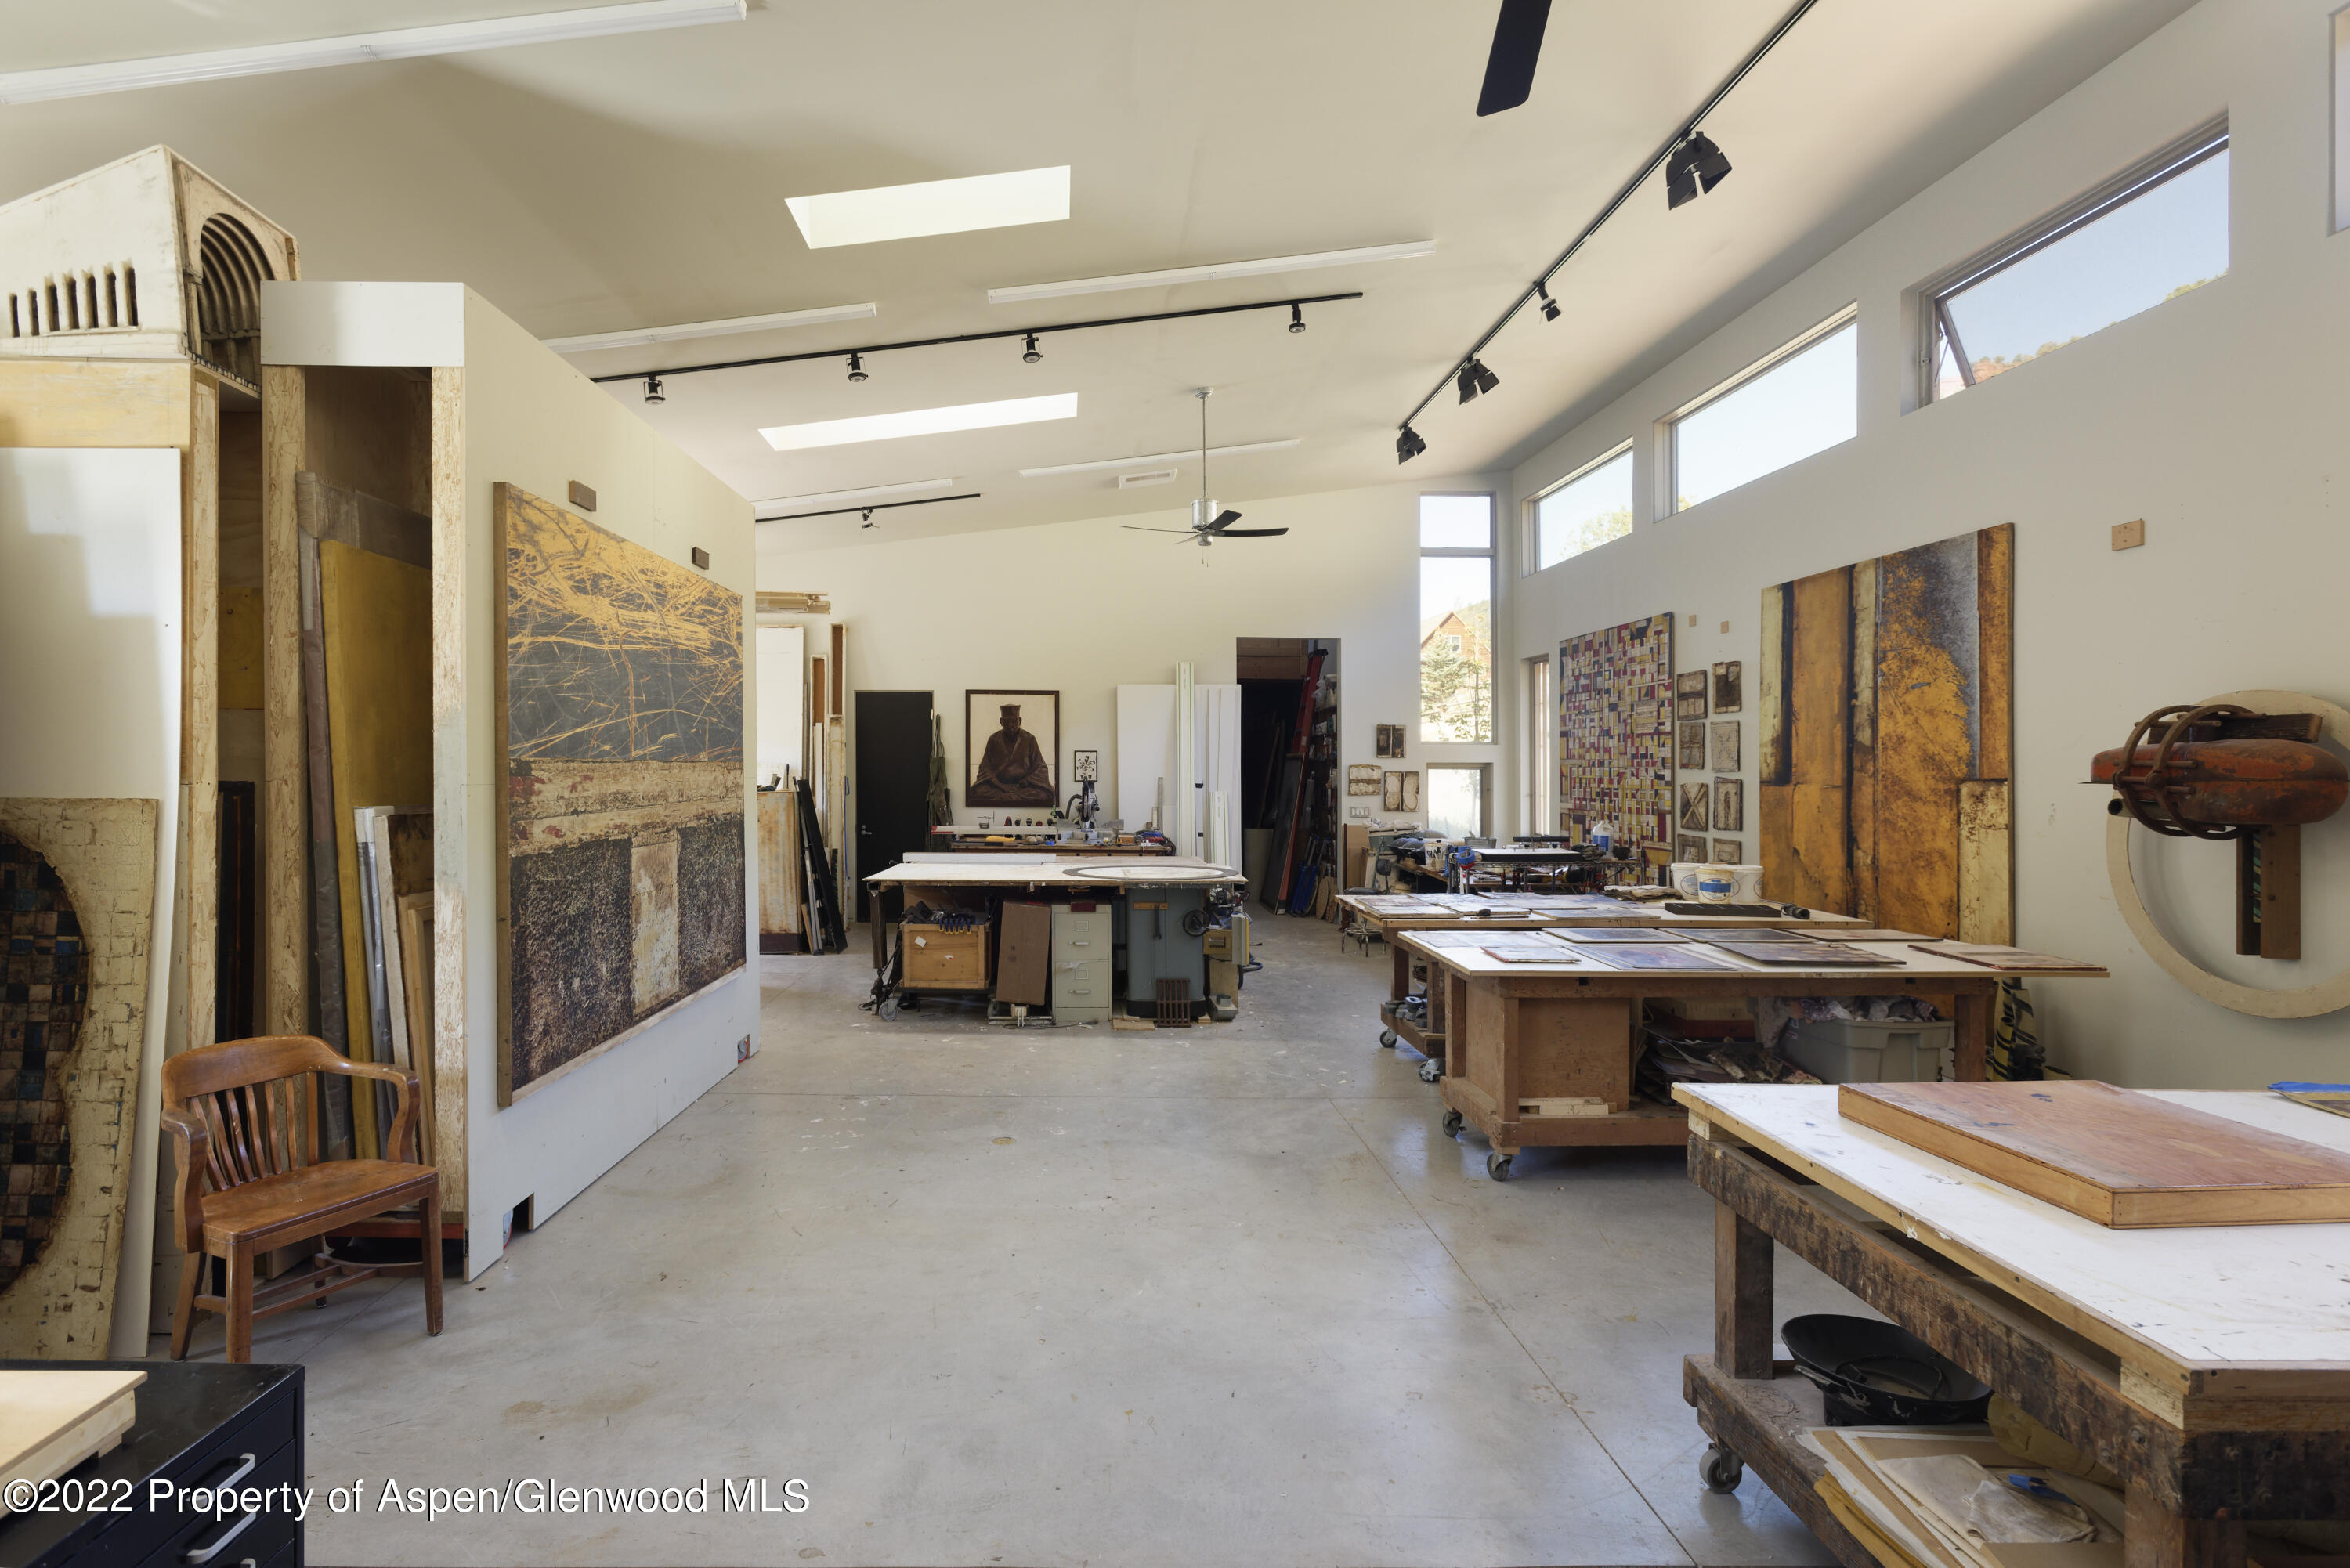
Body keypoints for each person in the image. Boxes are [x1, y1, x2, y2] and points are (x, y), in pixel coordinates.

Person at [970, 703, 1052, 805]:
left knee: (1043, 794)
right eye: (1007, 721)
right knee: (978, 792)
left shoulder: (1029, 739)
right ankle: (1009, 795)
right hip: (998, 787)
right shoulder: (994, 739)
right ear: (1001, 721)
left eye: (1014, 721)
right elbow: (985, 768)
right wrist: (997, 783)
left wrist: (1027, 781)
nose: (1010, 726)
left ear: (1020, 721)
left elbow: (1040, 767)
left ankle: (1008, 796)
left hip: (1024, 787)